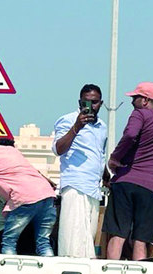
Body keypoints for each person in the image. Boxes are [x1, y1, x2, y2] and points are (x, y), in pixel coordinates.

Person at [103, 81, 153, 260]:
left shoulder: (139, 115)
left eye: (135, 98)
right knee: (141, 239)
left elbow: (130, 135)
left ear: (145, 100)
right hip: (150, 187)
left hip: (126, 181)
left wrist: (115, 158)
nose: (132, 101)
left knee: (117, 234)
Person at [52, 84, 109, 258]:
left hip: (93, 189)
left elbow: (99, 156)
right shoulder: (68, 120)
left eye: (95, 102)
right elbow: (58, 149)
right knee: (74, 241)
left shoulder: (102, 127)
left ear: (101, 103)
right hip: (75, 186)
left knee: (87, 241)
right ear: (80, 102)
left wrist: (107, 177)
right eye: (87, 102)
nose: (91, 106)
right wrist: (76, 127)